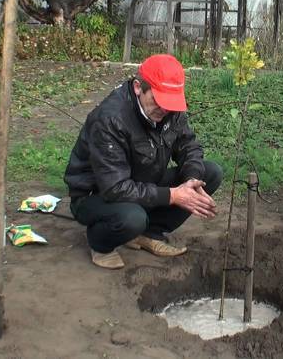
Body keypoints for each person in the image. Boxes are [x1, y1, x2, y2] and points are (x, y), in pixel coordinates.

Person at [64, 54, 223, 269]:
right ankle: (100, 243)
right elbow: (115, 188)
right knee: (132, 218)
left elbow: (189, 146)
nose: (165, 109)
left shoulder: (170, 110)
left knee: (209, 173)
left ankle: (148, 234)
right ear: (138, 87)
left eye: (170, 103)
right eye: (159, 101)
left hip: (142, 179)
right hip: (96, 194)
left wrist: (191, 180)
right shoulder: (110, 119)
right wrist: (173, 195)